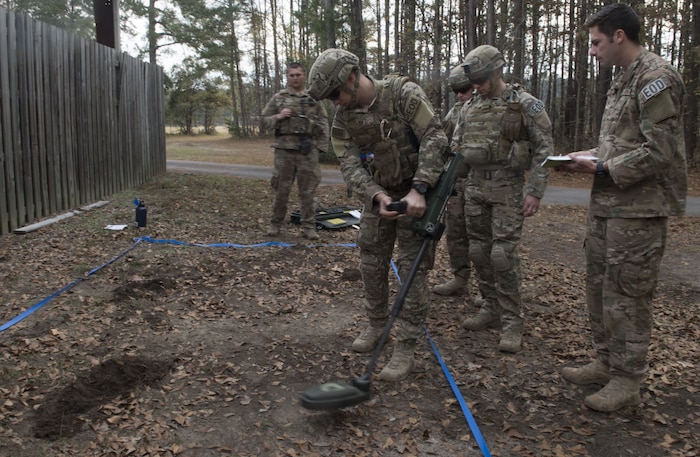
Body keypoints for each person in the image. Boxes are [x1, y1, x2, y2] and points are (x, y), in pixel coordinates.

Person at [560, 3, 687, 413]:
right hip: (609, 206)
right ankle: (606, 362)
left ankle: (627, 381)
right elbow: (625, 143)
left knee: (627, 295)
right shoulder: (623, 80)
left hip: (639, 211)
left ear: (618, 36)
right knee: (599, 288)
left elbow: (661, 150)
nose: (592, 51)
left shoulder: (655, 78)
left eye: (596, 42)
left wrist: (604, 165)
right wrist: (592, 154)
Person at [307, 49, 449, 381]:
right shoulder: (343, 119)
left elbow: (435, 136)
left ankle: (406, 345)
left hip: (419, 195)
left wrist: (420, 187)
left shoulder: (402, 94)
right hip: (380, 196)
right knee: (370, 259)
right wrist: (376, 195)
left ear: (353, 78)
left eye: (336, 94)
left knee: (411, 268)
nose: (335, 103)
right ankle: (376, 324)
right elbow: (349, 163)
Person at [452, 45, 552, 353]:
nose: (477, 86)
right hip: (475, 188)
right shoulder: (469, 107)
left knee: (503, 256)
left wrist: (534, 191)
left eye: (482, 79)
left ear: (497, 72)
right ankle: (490, 307)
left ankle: (512, 322)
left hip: (507, 189)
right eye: (474, 81)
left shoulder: (524, 104)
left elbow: (545, 150)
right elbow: (457, 145)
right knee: (479, 251)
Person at [261, 62, 329, 240]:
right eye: (292, 75)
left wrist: (321, 147)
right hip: (284, 151)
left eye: (298, 74)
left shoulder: (314, 98)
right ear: (287, 76)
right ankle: (275, 224)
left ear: (304, 76)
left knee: (307, 191)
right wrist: (279, 116)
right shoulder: (279, 98)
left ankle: (308, 227)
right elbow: (263, 120)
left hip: (307, 150)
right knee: (282, 190)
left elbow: (323, 123)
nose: (295, 78)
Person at [433, 64, 475, 297]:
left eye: (464, 89)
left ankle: (489, 289)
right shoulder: (455, 112)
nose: (460, 94)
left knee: (480, 237)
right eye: (456, 90)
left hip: (479, 182)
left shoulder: (484, 109)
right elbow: (442, 139)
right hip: (456, 183)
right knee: (455, 233)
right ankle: (461, 278)